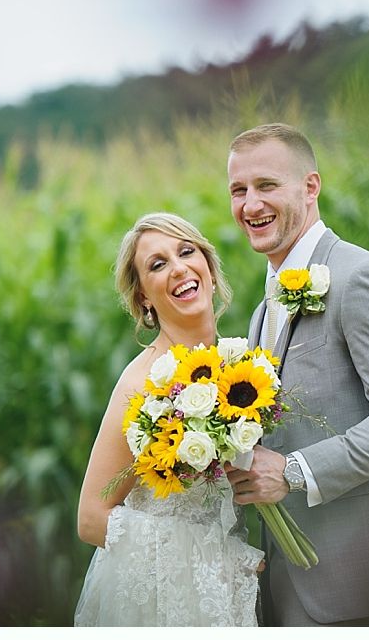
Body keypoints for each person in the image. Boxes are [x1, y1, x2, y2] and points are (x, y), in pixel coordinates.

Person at [223, 123, 369, 625]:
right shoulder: (263, 310)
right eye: (239, 190)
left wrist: (294, 472)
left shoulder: (363, 278)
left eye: (266, 186)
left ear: (310, 186)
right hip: (292, 591)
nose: (250, 205)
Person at [74, 212, 263, 626]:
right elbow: (90, 518)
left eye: (186, 251)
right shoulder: (141, 383)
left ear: (209, 268)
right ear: (144, 297)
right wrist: (222, 562)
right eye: (157, 265)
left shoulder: (241, 366)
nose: (178, 268)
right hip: (165, 602)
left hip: (229, 598)